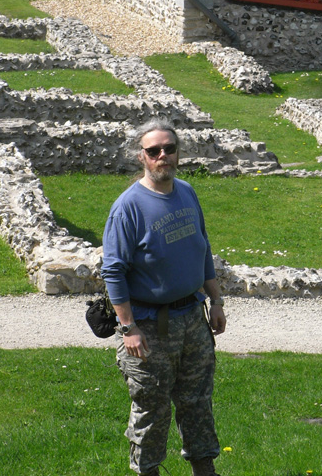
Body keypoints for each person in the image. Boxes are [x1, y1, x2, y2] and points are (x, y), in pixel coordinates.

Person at [101, 119, 227, 476]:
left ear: (177, 153)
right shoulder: (128, 207)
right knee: (151, 410)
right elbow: (114, 272)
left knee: (198, 404)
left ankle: (205, 470)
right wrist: (128, 328)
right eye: (153, 151)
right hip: (149, 327)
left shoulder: (186, 191)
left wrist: (215, 301)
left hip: (193, 318)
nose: (162, 156)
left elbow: (202, 248)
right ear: (141, 156)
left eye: (169, 149)